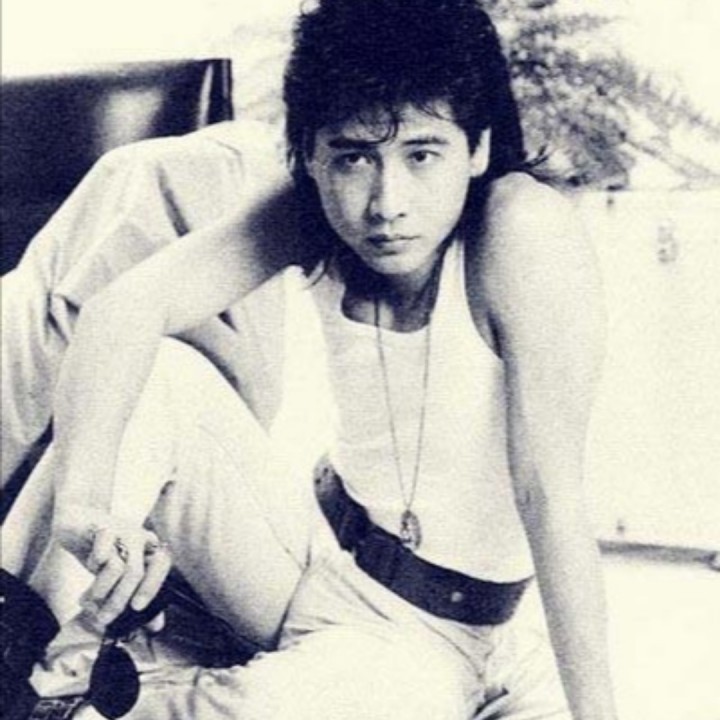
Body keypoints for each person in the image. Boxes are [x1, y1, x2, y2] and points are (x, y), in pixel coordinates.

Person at [2, 0, 618, 718]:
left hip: (437, 636)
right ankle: (18, 646)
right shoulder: (315, 211)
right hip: (309, 558)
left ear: (477, 148)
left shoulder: (522, 228)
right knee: (160, 374)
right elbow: (125, 309)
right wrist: (82, 505)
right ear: (313, 155)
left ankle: (82, 702)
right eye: (354, 157)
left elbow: (549, 499)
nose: (386, 202)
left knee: (272, 707)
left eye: (422, 154)